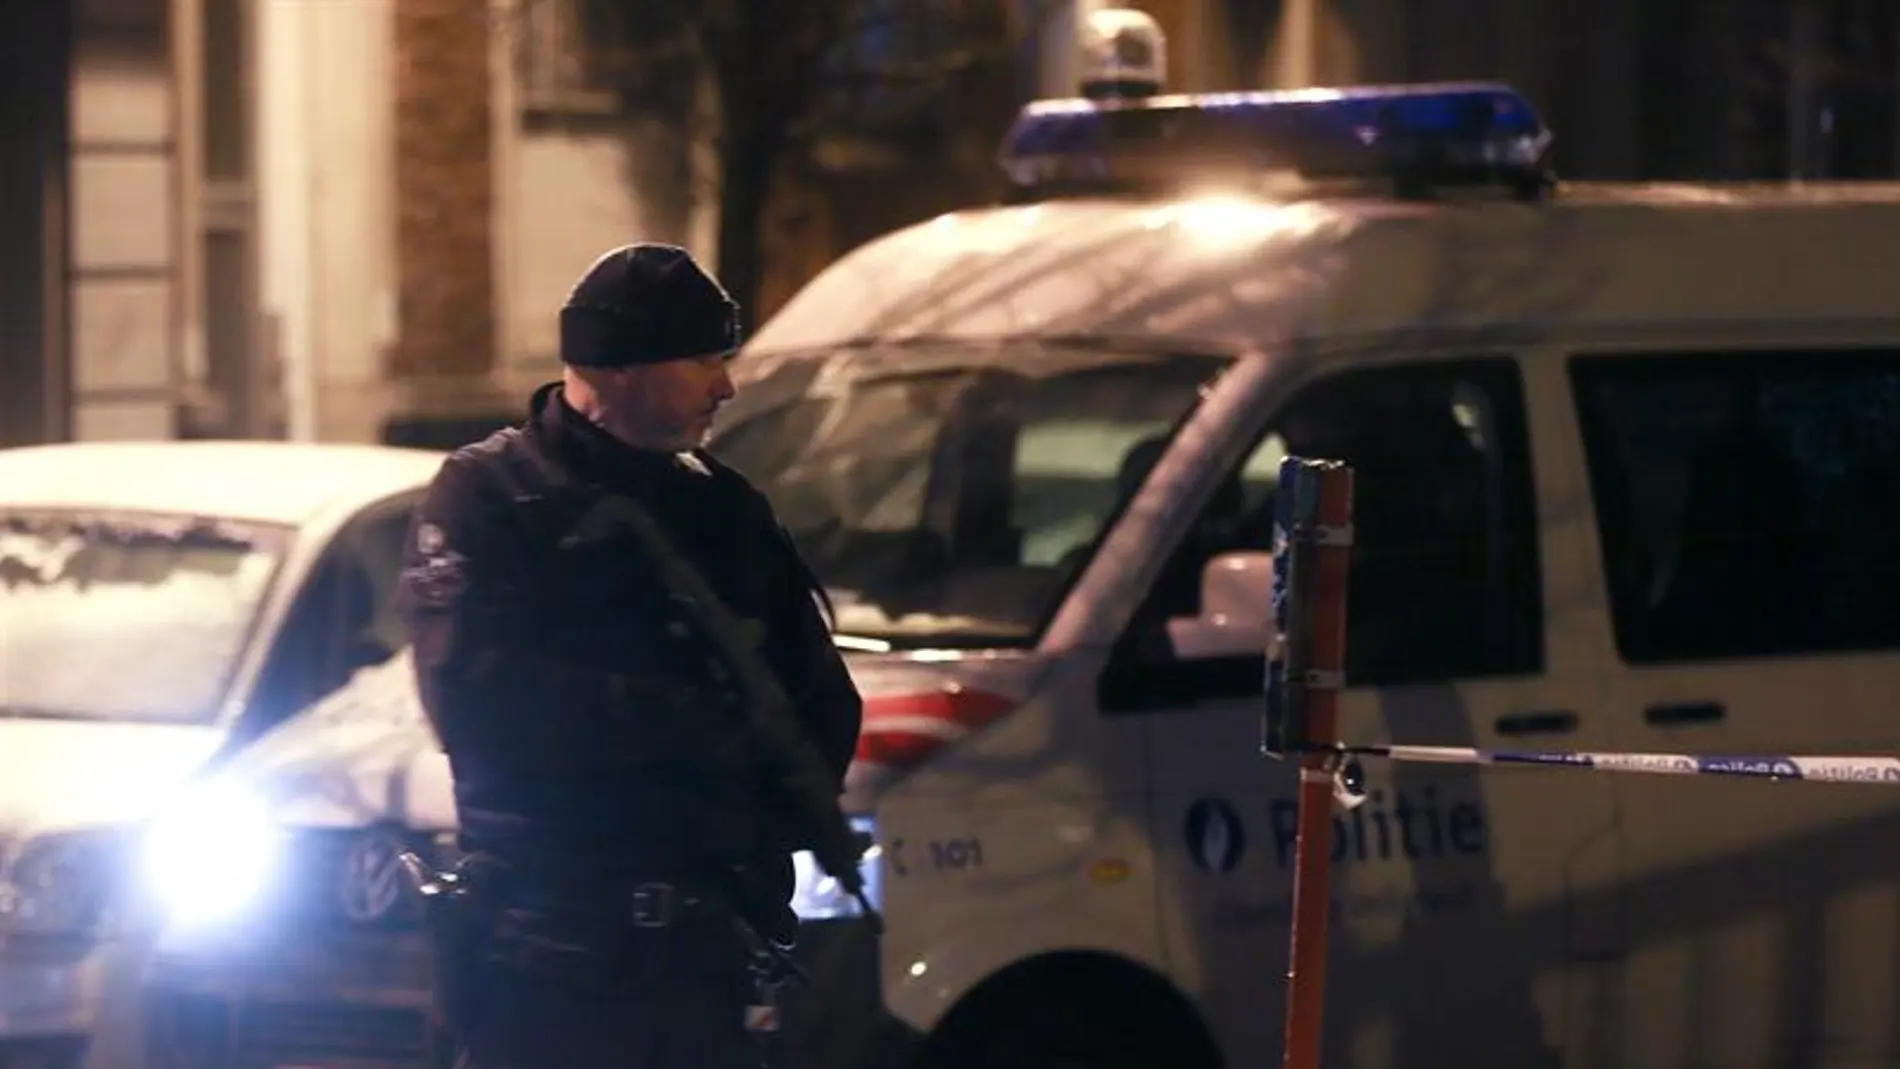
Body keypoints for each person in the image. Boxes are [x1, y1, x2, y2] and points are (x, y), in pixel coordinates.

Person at [396, 243, 864, 1069]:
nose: (726, 386)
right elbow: (481, 704)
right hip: (549, 974)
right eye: (703, 360)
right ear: (618, 368)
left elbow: (819, 704)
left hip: (701, 973)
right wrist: (682, 723)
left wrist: (748, 825)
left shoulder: (723, 511)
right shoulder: (491, 500)